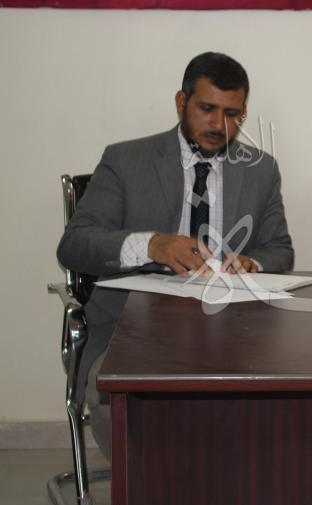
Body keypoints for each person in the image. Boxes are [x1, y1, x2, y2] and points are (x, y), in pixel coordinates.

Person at [57, 51, 294, 457]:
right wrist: (151, 245)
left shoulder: (261, 170)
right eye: (207, 109)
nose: (219, 125)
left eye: (232, 114)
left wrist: (252, 262)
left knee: (282, 403)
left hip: (232, 331)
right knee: (125, 410)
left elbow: (280, 250)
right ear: (181, 102)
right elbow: (74, 244)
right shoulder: (125, 160)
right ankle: (148, 490)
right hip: (131, 331)